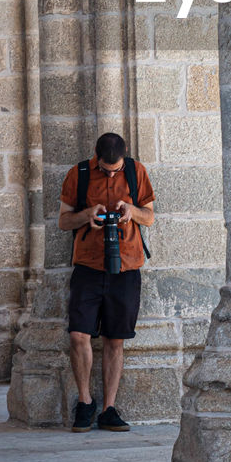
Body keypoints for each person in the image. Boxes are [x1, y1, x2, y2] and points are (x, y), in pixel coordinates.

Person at [58, 132, 155, 433]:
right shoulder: (80, 174)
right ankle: (85, 403)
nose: (112, 172)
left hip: (126, 266)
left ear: (125, 156)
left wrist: (131, 210)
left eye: (116, 168)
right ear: (96, 156)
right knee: (78, 335)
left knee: (115, 339)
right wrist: (87, 214)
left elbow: (149, 216)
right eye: (106, 168)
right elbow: (63, 221)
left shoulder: (137, 172)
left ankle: (108, 409)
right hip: (88, 266)